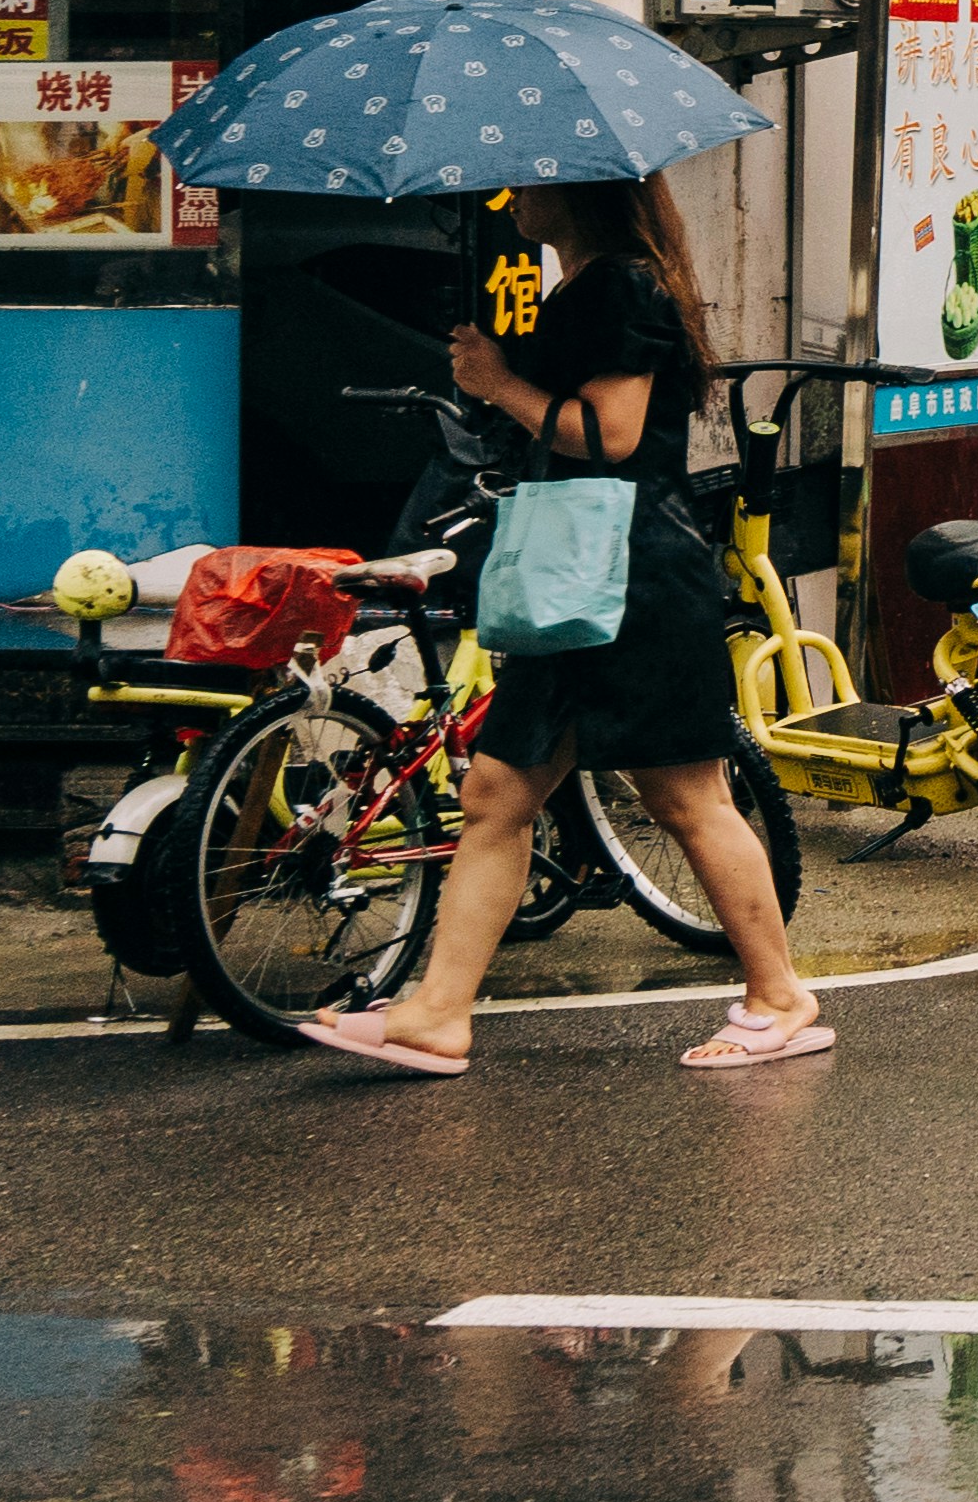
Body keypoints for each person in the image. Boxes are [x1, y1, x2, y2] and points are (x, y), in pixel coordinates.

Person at [306, 175, 829, 1076]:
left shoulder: (621, 287)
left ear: (578, 192)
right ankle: (437, 1012)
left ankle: (779, 995)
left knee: (686, 798)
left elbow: (614, 434)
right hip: (581, 576)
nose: (510, 201)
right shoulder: (592, 286)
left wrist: (498, 381)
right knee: (498, 797)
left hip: (632, 577)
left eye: (526, 186)